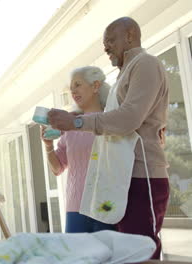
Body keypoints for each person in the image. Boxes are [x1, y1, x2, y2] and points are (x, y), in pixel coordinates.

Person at [47, 17, 169, 259]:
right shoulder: (124, 75)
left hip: (143, 176)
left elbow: (128, 119)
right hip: (124, 178)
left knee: (140, 252)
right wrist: (77, 120)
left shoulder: (145, 64)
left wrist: (77, 122)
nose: (106, 48)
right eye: (105, 43)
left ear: (131, 35)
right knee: (125, 254)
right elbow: (117, 121)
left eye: (111, 40)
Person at [41, 66, 114, 233]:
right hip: (75, 207)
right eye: (71, 87)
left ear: (96, 86)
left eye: (78, 84)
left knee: (108, 256)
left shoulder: (111, 119)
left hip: (106, 204)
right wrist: (48, 145)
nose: (73, 91)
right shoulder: (70, 124)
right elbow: (58, 168)